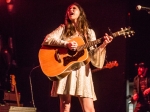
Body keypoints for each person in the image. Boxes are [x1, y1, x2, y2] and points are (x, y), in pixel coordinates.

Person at [41, 2, 113, 112]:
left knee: (89, 109)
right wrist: (66, 44)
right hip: (65, 68)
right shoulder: (63, 28)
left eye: (74, 8)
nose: (71, 10)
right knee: (65, 107)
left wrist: (103, 44)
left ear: (80, 13)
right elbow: (47, 39)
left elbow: (93, 56)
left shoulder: (89, 33)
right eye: (69, 9)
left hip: (83, 71)